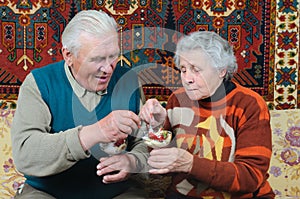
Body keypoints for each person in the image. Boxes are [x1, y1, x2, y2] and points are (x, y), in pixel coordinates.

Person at [11, 10, 153, 199]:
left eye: (113, 56)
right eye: (96, 59)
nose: (108, 68)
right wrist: (94, 133)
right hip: (47, 192)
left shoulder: (128, 81)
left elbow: (144, 142)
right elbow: (25, 155)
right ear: (68, 55)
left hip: (117, 193)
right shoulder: (39, 83)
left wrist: (133, 161)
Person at [141, 31, 275, 198]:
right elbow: (159, 169)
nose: (187, 78)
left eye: (196, 70)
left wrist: (191, 164)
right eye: (183, 70)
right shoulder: (177, 100)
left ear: (221, 71)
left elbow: (250, 177)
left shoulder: (248, 104)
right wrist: (157, 126)